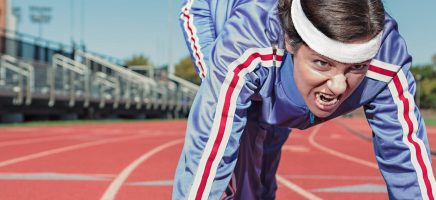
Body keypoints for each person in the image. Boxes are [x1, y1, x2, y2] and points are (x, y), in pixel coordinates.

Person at [173, 0, 436, 199]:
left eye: (356, 67)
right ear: (290, 41)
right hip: (212, 18)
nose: (338, 86)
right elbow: (207, 153)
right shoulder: (246, 44)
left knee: (271, 136)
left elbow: (407, 159)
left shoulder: (387, 61)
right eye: (323, 63)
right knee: (240, 139)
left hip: (282, 83)